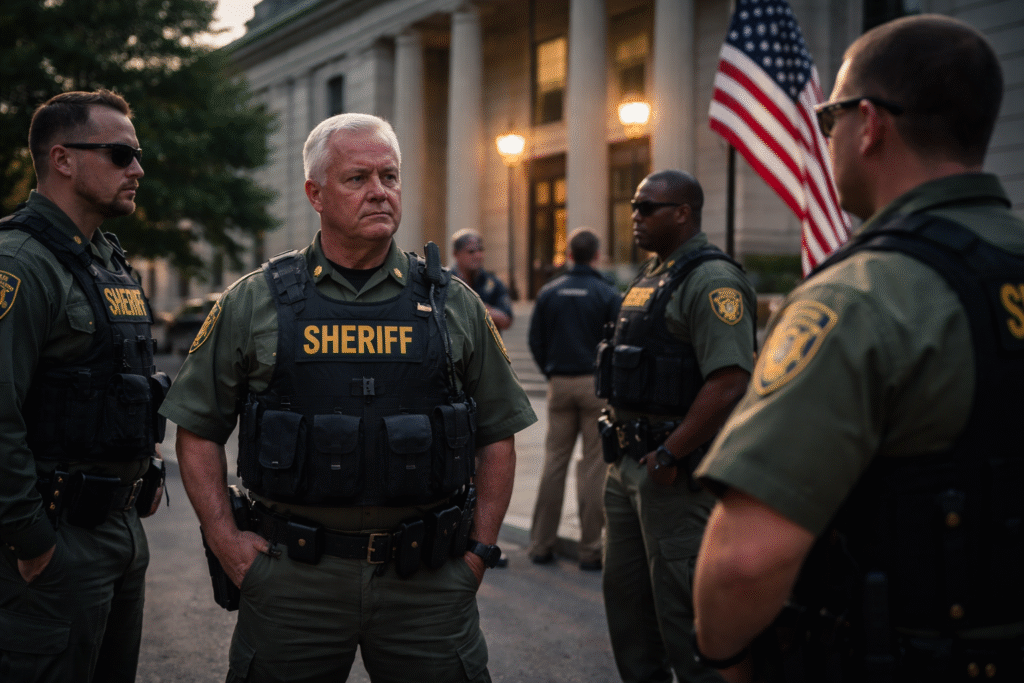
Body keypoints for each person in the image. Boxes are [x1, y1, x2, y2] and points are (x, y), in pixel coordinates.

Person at [693, 14, 1024, 683]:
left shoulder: (857, 299)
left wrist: (725, 661)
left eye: (828, 118)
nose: (826, 136)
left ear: (869, 123)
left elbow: (745, 559)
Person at [159, 112, 537, 682]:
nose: (380, 192)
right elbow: (197, 428)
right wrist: (225, 541)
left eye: (390, 176)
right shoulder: (256, 302)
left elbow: (497, 434)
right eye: (357, 178)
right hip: (294, 579)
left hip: (427, 581)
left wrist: (479, 553)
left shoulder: (451, 304)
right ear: (315, 193)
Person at [0, 90, 167, 682]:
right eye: (121, 154)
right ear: (63, 159)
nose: (137, 170)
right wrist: (32, 541)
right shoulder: (20, 263)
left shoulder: (106, 259)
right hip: (56, 539)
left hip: (117, 533)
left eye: (137, 155)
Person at [596, 170, 757, 683]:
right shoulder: (653, 275)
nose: (635, 216)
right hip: (626, 466)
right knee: (628, 609)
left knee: (683, 615)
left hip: (672, 475)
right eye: (635, 206)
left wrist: (671, 453)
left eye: (648, 207)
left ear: (683, 212)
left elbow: (729, 381)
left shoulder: (711, 280)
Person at [527, 227, 620, 571]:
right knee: (594, 466)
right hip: (595, 385)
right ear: (596, 255)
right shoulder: (607, 293)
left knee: (554, 463)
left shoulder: (550, 292)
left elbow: (536, 340)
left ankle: (540, 544)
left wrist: (550, 371)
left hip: (560, 383)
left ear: (568, 256)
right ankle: (590, 550)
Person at [451, 229, 514, 331]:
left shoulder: (492, 282)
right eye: (471, 251)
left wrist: (482, 309)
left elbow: (507, 320)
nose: (478, 256)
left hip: (485, 346)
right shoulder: (444, 281)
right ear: (456, 254)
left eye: (480, 250)